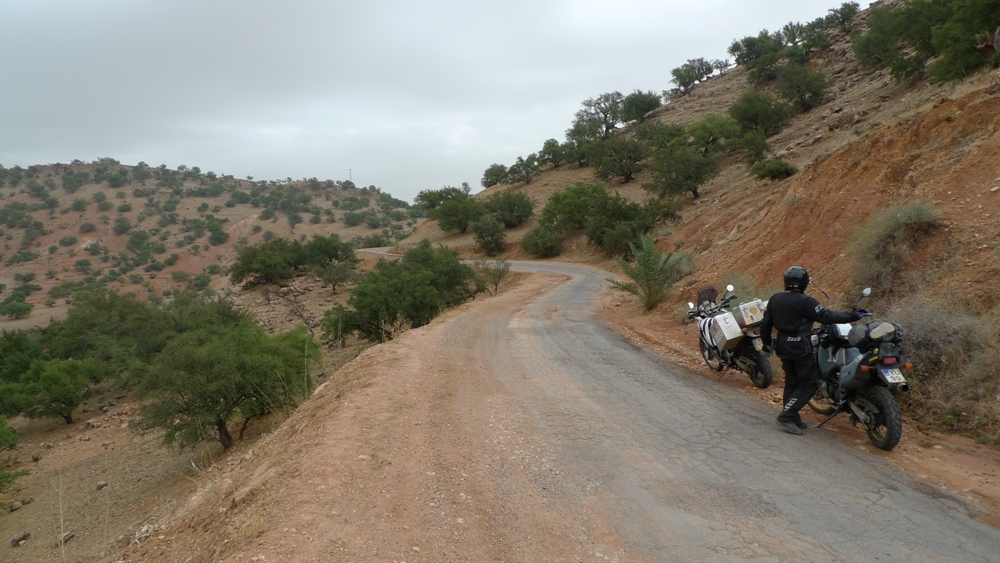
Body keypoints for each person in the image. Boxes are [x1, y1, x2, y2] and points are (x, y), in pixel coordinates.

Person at [760, 266, 863, 435]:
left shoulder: (775, 299)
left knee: (792, 381)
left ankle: (792, 416)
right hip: (800, 347)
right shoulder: (806, 301)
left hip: (781, 344)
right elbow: (827, 317)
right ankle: (786, 416)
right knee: (809, 383)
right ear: (804, 283)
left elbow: (765, 324)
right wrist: (852, 316)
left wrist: (766, 344)